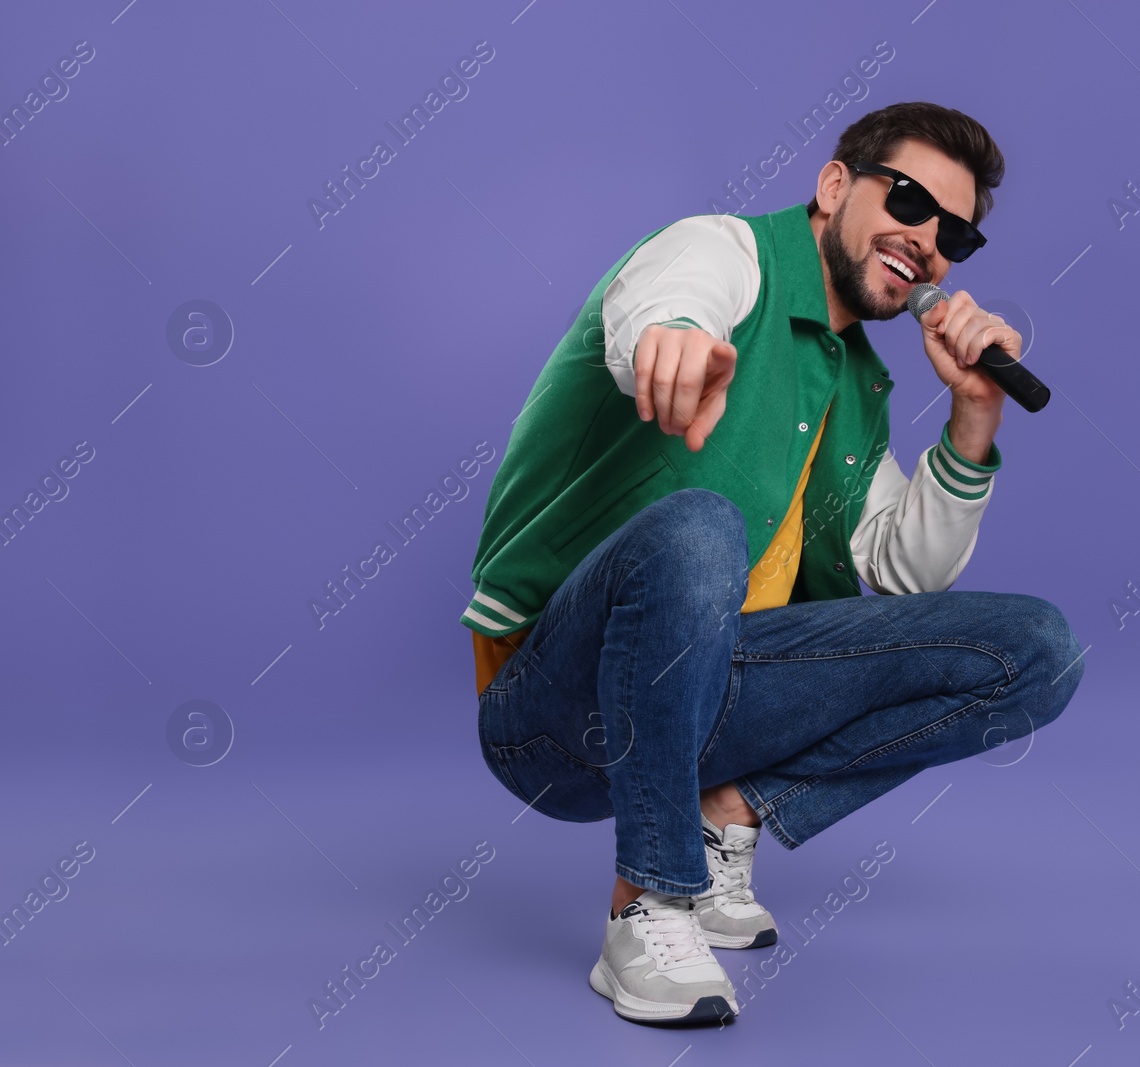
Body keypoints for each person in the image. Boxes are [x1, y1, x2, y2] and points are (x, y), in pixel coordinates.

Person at [463, 101, 1085, 1025]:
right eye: (908, 201)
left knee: (1037, 648)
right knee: (699, 526)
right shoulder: (723, 253)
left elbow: (906, 573)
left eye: (953, 232)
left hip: (712, 699)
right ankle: (648, 903)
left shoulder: (855, 382)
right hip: (558, 718)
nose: (926, 241)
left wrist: (973, 418)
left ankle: (728, 814)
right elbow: (665, 304)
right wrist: (668, 342)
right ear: (835, 186)